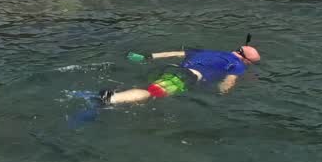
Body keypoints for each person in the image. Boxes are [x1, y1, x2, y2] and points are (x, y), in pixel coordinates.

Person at [98, 38, 261, 106]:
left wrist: (147, 57)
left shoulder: (208, 51)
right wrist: (221, 95)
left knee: (149, 88)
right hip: (185, 77)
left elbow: (175, 53)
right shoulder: (238, 65)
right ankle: (112, 99)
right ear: (246, 60)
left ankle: (116, 96)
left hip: (173, 69)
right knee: (150, 93)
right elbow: (228, 82)